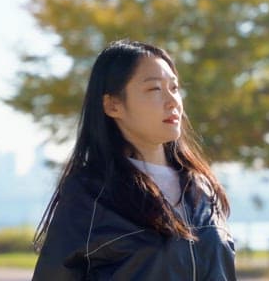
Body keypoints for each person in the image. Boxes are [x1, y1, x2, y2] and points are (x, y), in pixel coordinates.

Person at [31, 40, 237, 280]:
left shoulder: (202, 188)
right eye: (154, 89)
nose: (173, 102)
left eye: (174, 88)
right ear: (112, 105)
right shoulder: (91, 193)